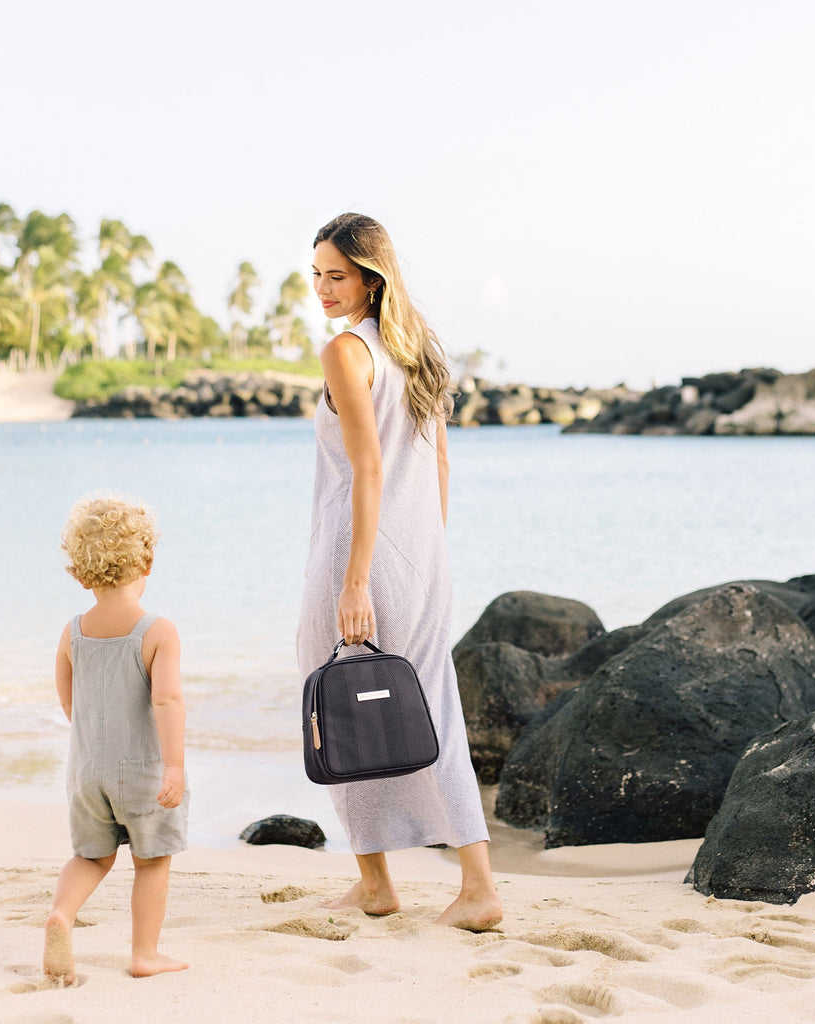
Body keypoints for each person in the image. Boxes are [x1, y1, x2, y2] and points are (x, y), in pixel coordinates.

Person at [297, 212, 502, 931]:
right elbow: (438, 461)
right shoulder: (417, 349)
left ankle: (379, 881)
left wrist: (356, 581)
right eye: (317, 273)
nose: (323, 288)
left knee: (334, 708)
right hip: (424, 559)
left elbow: (367, 468)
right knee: (432, 712)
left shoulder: (345, 352)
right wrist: (426, 550)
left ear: (371, 279)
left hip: (358, 557)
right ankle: (475, 885)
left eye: (338, 275)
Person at [43, 495, 189, 985]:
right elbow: (166, 701)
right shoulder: (157, 631)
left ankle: (62, 914)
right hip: (143, 771)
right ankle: (144, 954)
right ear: (148, 561)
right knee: (151, 863)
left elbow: (69, 702)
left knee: (92, 857)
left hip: (86, 772)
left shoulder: (73, 631)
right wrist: (173, 766)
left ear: (80, 575)